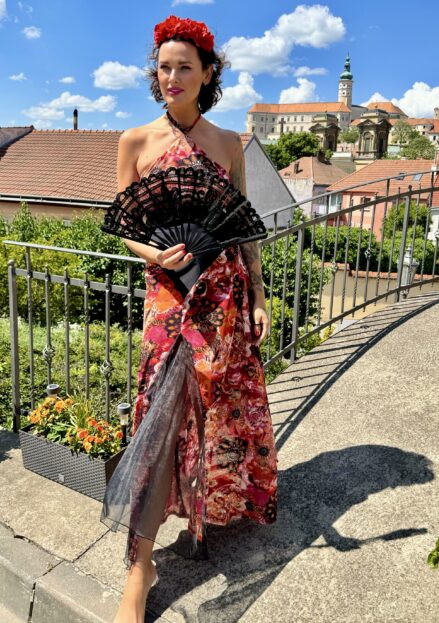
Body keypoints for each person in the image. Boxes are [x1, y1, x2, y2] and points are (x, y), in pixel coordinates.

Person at [102, 15, 278, 623]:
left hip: (223, 296)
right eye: (163, 66)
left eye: (184, 66)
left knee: (215, 412)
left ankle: (200, 521)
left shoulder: (229, 144)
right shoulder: (135, 141)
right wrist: (154, 254)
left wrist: (259, 295)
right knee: (159, 417)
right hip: (168, 297)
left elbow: (242, 229)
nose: (171, 76)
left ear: (207, 74)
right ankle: (139, 567)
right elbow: (126, 224)